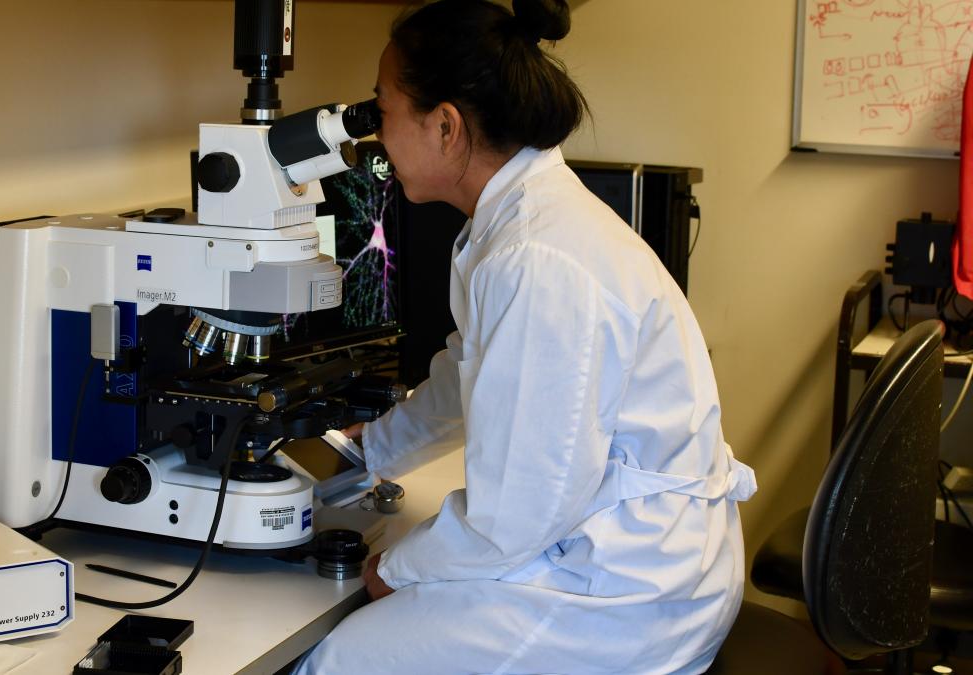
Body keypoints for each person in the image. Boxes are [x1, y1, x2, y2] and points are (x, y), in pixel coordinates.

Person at [294, 0, 756, 672]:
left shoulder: (537, 256)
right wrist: (373, 448)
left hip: (626, 594)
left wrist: (396, 565)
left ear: (446, 126)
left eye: (381, 109)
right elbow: (469, 368)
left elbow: (515, 516)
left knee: (335, 660)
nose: (376, 135)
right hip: (621, 548)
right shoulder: (520, 223)